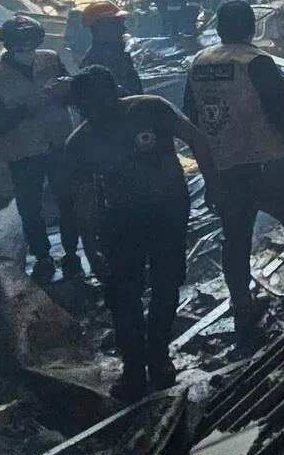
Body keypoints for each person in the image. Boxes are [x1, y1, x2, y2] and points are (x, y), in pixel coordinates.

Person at [65, 66, 216, 400]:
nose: (95, 111)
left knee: (167, 283)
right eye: (86, 107)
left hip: (168, 211)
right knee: (123, 296)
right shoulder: (81, 142)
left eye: (99, 102)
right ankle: (134, 368)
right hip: (120, 220)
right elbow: (84, 198)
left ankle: (158, 358)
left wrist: (212, 185)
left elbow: (196, 138)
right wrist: (90, 246)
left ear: (114, 91)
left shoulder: (150, 108)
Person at [185, 1, 284, 330]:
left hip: (225, 168)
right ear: (251, 28)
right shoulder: (256, 62)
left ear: (219, 29)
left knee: (235, 238)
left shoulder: (199, 63)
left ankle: (241, 304)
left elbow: (190, 114)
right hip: (266, 164)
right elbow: (280, 109)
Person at [0, 16, 79, 281]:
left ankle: (71, 251)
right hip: (23, 152)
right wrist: (25, 109)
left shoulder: (51, 59)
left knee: (68, 201)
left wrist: (66, 90)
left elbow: (74, 92)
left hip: (59, 143)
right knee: (30, 207)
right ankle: (42, 256)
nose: (26, 45)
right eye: (20, 40)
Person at [79, 2, 143, 95]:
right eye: (117, 24)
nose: (124, 28)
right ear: (102, 28)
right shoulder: (96, 64)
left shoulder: (117, 53)